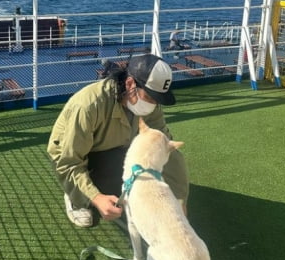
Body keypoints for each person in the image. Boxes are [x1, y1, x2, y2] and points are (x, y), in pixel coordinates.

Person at [47, 53, 189, 228]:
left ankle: (97, 186)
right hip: (74, 156)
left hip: (114, 147)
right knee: (106, 194)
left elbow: (165, 146)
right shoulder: (88, 106)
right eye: (150, 98)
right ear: (130, 84)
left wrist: (180, 199)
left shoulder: (150, 105)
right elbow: (69, 162)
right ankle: (75, 199)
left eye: (157, 99)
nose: (153, 105)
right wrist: (96, 198)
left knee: (126, 187)